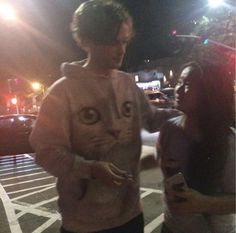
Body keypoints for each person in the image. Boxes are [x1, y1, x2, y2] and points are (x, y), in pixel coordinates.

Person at [30, 1, 178, 233]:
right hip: (84, 224)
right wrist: (90, 168)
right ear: (86, 40)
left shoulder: (127, 83)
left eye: (124, 41)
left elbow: (152, 117)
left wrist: (189, 112)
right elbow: (46, 153)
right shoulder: (62, 92)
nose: (120, 50)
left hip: (131, 215)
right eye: (111, 42)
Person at [158, 61, 236, 233]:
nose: (177, 90)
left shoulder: (228, 141)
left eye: (188, 85)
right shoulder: (169, 130)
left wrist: (203, 203)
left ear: (209, 92)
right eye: (179, 82)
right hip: (171, 227)